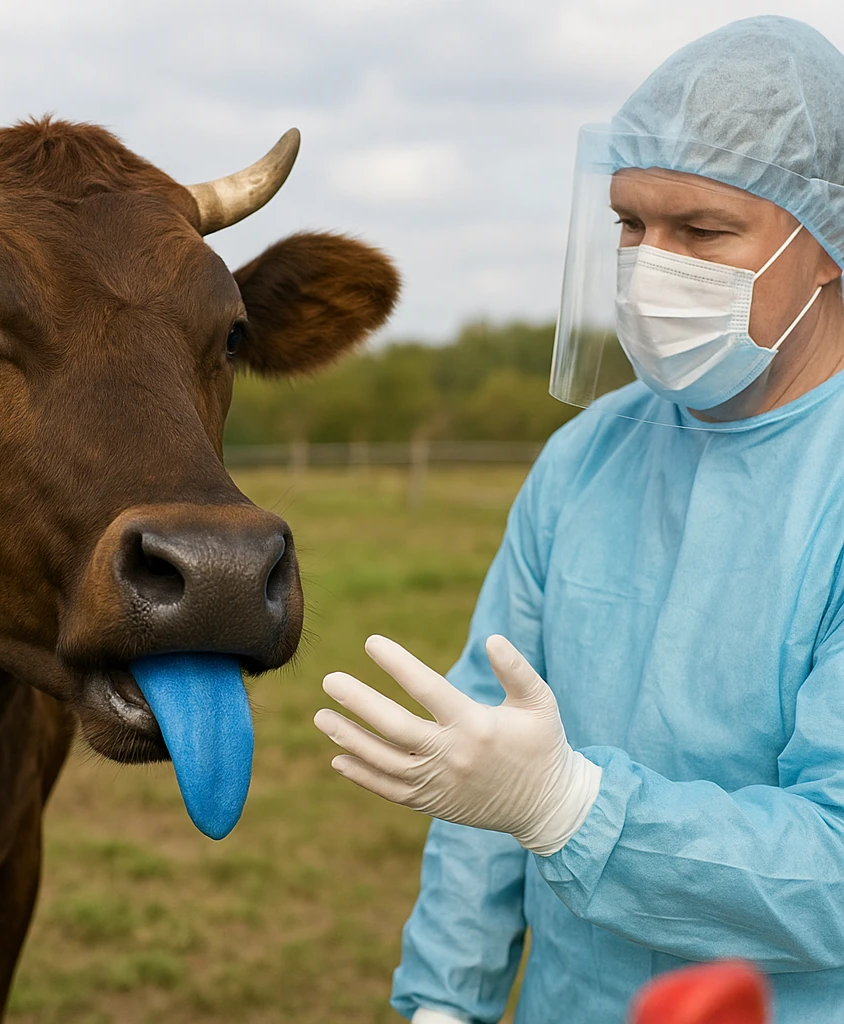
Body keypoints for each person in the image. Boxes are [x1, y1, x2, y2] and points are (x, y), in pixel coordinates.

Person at [313, 16, 844, 1024]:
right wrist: (443, 1004)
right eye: (629, 225)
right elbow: (483, 774)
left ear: (824, 245)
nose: (651, 265)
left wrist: (569, 806)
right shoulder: (588, 456)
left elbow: (834, 866)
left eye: (699, 231)